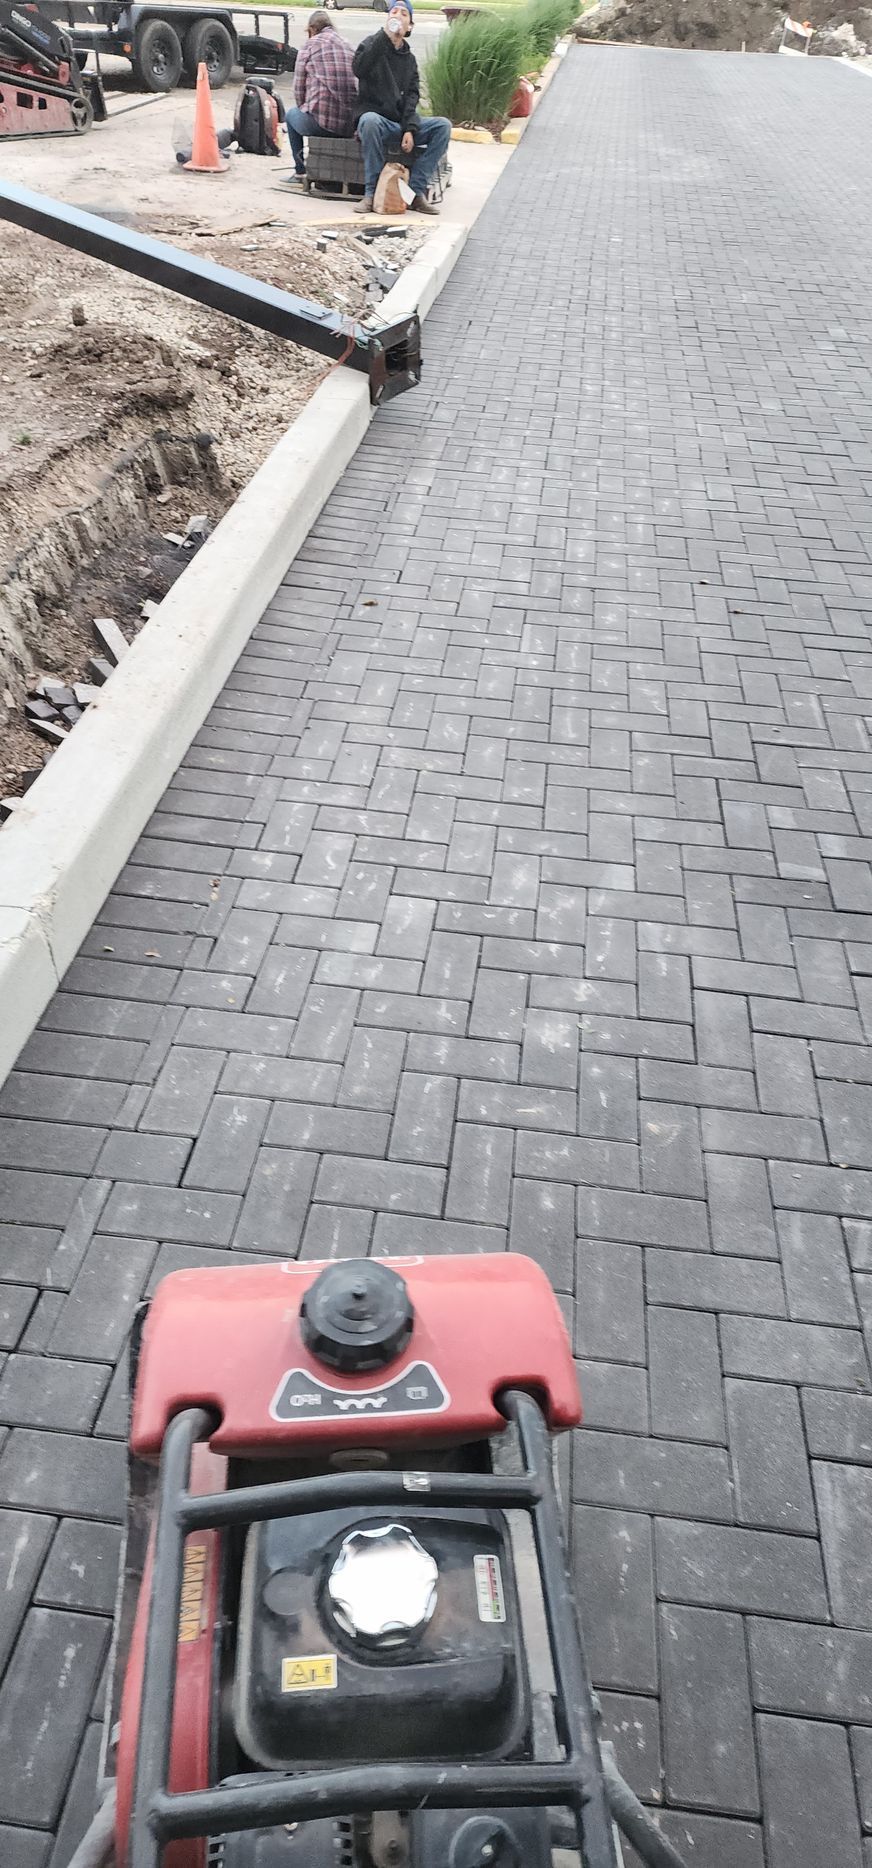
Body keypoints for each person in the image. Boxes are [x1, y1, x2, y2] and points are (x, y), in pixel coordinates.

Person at [352, 1, 451, 217]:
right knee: (368, 120)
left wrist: (410, 129)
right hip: (378, 121)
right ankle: (372, 193)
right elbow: (360, 69)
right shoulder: (371, 45)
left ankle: (415, 193)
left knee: (442, 126)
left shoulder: (410, 60)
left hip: (399, 122)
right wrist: (384, 37)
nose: (397, 15)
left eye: (403, 13)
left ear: (409, 26)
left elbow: (412, 97)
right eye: (393, 12)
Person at [285, 9, 357, 181]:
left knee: (290, 116)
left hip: (322, 123)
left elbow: (298, 88)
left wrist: (304, 108)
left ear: (311, 29)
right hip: (350, 125)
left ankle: (300, 171)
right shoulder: (348, 45)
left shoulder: (310, 45)